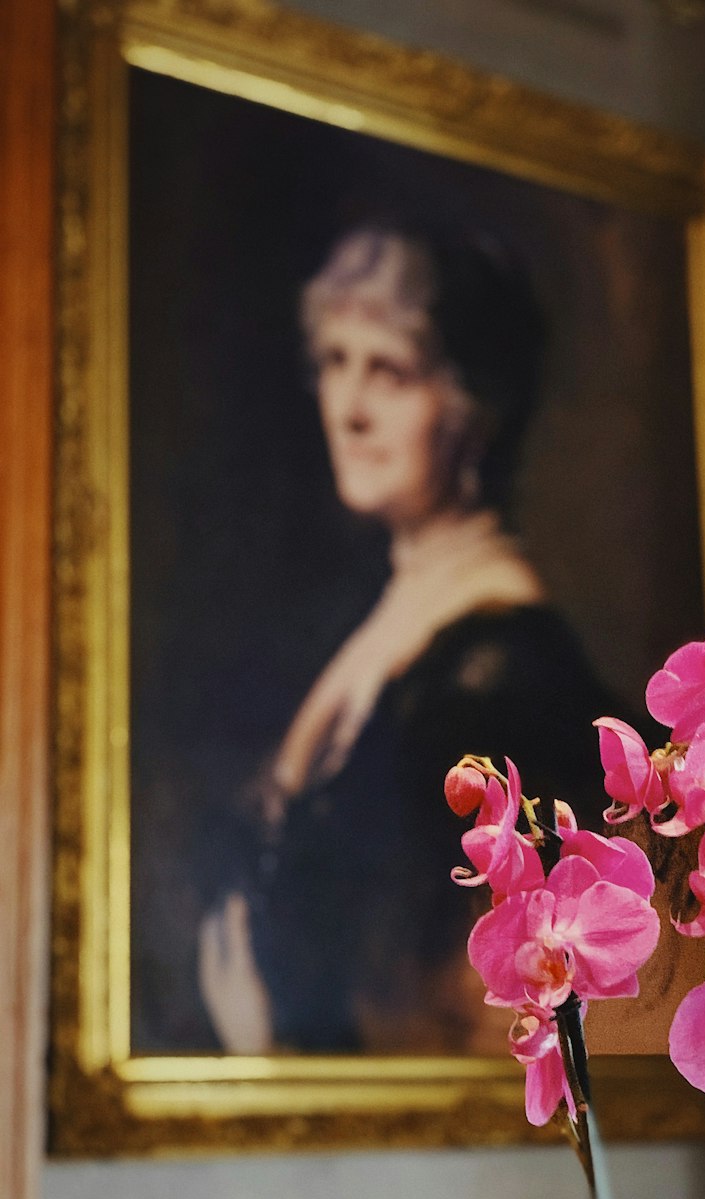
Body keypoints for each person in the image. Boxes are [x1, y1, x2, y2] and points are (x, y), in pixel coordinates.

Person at [197, 225, 615, 1055]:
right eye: (334, 362)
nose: (348, 410)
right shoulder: (399, 617)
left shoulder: (503, 676)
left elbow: (474, 1017)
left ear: (474, 409)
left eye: (388, 372)